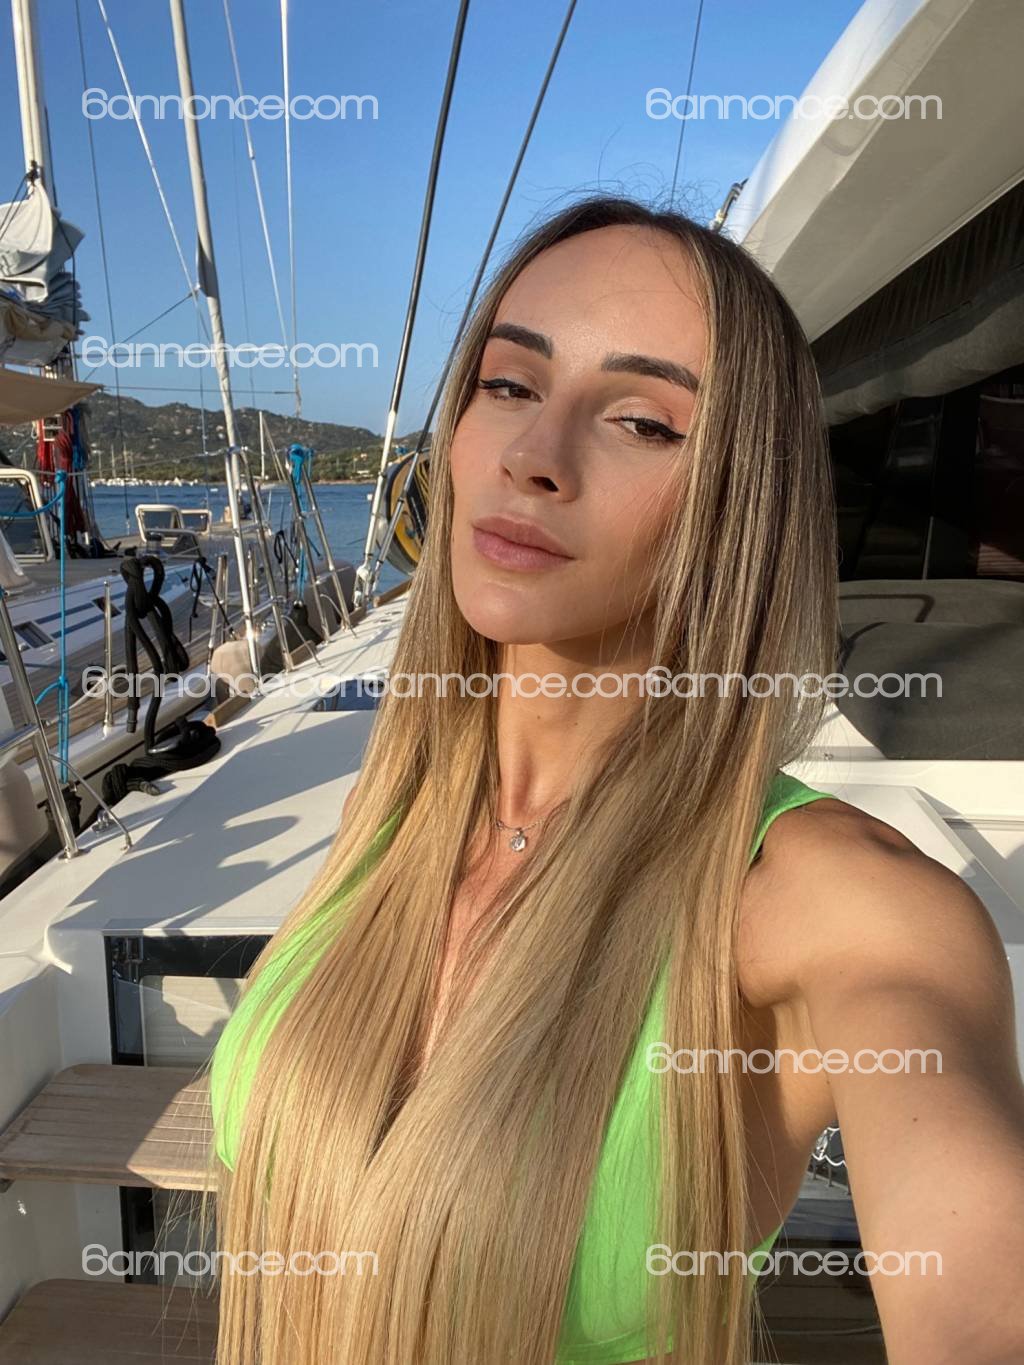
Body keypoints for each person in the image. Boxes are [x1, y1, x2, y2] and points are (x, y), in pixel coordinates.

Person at [203, 194, 1024, 1365]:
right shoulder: (393, 819)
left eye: (642, 421)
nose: (535, 457)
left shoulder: (834, 905)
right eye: (509, 385)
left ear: (739, 502)